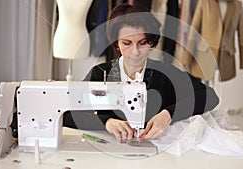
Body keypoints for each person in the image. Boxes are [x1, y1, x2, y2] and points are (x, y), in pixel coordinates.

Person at [65, 3, 219, 141]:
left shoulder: (166, 74)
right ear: (116, 44)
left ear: (151, 41)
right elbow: (68, 114)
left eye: (142, 43)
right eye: (127, 43)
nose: (135, 51)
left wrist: (168, 114)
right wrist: (107, 122)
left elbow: (209, 96)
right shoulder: (99, 74)